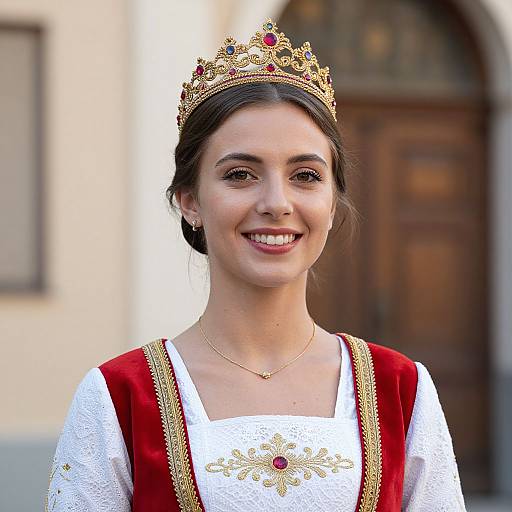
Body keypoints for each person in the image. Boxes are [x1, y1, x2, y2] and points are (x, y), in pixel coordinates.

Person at [46, 19, 466, 512]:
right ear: (190, 201)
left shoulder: (402, 391)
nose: (276, 202)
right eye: (240, 174)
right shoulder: (117, 400)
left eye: (305, 176)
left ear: (332, 204)